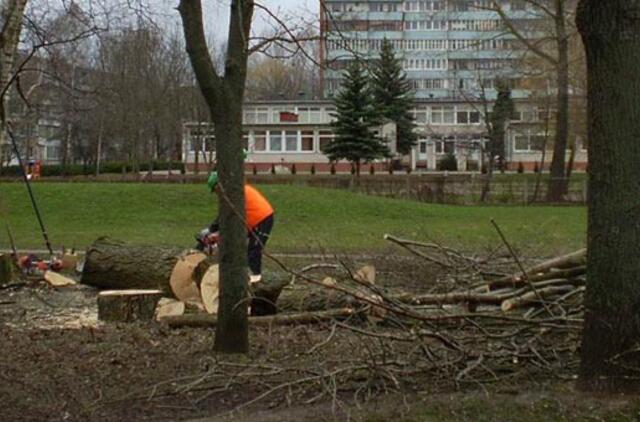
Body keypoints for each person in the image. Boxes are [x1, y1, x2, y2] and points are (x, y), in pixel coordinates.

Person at [198, 171, 274, 280]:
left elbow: (224, 215)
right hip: (253, 219)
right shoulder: (235, 190)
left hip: (262, 218)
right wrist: (216, 234)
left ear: (219, 185)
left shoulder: (233, 193)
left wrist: (211, 229)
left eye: (215, 190)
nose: (216, 194)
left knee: (254, 250)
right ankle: (239, 274)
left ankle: (255, 278)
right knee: (237, 244)